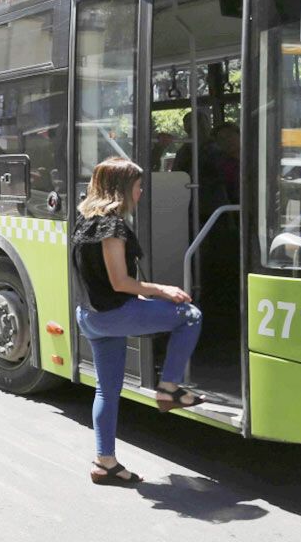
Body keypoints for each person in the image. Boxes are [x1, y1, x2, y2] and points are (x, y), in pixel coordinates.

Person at [73, 157, 204, 486]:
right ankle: (169, 388)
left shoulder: (84, 220)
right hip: (113, 315)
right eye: (138, 186)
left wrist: (141, 298)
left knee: (106, 390)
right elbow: (119, 281)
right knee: (190, 316)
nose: (141, 192)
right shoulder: (112, 226)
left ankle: (105, 463)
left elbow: (101, 280)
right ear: (121, 188)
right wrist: (161, 290)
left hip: (90, 316)